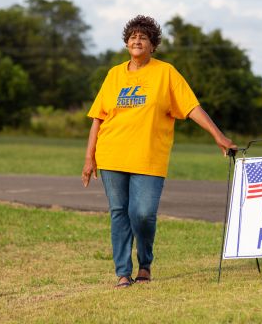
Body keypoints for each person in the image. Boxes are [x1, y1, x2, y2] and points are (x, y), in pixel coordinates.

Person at [82, 15, 236, 288]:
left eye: (143, 37)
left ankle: (146, 263)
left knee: (142, 213)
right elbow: (98, 117)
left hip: (149, 156)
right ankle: (122, 272)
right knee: (119, 211)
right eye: (132, 37)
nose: (137, 40)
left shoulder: (166, 72)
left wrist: (218, 136)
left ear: (153, 45)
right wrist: (89, 157)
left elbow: (191, 107)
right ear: (126, 43)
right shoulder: (114, 74)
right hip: (112, 155)